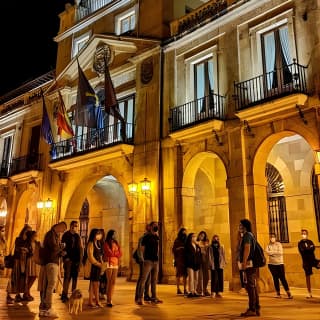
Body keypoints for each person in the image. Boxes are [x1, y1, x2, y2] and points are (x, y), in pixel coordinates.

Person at [39, 221, 67, 317]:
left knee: (47, 285)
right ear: (59, 227)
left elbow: (54, 250)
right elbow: (54, 249)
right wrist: (61, 248)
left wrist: (60, 252)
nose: (62, 232)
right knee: (51, 286)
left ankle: (43, 308)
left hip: (51, 262)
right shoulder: (51, 235)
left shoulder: (54, 235)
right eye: (63, 229)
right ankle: (48, 308)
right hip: (51, 263)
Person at [136, 221, 163, 305]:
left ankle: (154, 297)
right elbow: (142, 249)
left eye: (157, 226)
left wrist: (158, 258)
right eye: (154, 226)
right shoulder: (146, 237)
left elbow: (157, 249)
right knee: (143, 280)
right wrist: (143, 260)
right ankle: (140, 298)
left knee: (154, 280)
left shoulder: (156, 236)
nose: (156, 227)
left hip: (155, 261)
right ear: (150, 227)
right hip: (148, 261)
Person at [239, 218, 260, 317]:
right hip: (252, 264)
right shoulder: (251, 235)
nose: (239, 227)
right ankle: (256, 307)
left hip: (249, 264)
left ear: (244, 226)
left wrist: (243, 262)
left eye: (240, 225)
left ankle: (252, 308)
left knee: (250, 286)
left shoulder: (247, 235)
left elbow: (247, 249)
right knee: (253, 286)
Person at [8, 224, 32, 303]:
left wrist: (28, 250)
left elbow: (31, 251)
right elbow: (17, 248)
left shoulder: (29, 241)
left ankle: (20, 293)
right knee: (15, 277)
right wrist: (22, 249)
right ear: (24, 231)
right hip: (17, 260)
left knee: (22, 278)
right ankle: (15, 294)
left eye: (30, 231)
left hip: (24, 262)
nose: (29, 232)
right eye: (28, 231)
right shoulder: (18, 239)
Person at [265, 233, 292, 299]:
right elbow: (266, 252)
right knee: (275, 278)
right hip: (271, 264)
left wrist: (272, 253)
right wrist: (274, 253)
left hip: (280, 263)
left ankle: (288, 292)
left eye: (273, 237)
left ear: (275, 237)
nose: (272, 238)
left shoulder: (279, 244)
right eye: (271, 237)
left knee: (282, 278)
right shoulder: (268, 245)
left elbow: (280, 253)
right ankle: (278, 293)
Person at [61, 220, 83, 303]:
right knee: (67, 277)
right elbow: (63, 247)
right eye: (74, 225)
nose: (75, 227)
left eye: (77, 226)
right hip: (68, 260)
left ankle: (73, 294)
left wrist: (80, 261)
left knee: (75, 277)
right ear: (71, 226)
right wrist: (65, 258)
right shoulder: (65, 235)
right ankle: (64, 294)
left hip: (76, 260)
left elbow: (80, 248)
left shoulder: (77, 236)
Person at [298, 229, 320, 298]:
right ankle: (309, 292)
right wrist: (309, 248)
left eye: (305, 233)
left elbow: (313, 248)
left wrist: (308, 249)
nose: (303, 235)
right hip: (306, 262)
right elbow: (302, 251)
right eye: (302, 233)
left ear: (307, 234)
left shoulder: (310, 241)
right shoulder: (300, 243)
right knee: (308, 277)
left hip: (313, 259)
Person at [103, 229, 122, 307]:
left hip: (116, 263)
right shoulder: (106, 243)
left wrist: (115, 253)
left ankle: (110, 298)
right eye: (114, 234)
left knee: (113, 282)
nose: (115, 235)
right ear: (110, 235)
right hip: (109, 263)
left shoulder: (116, 243)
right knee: (109, 281)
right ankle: (108, 299)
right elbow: (108, 252)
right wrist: (115, 253)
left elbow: (120, 253)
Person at [86, 228, 104, 308]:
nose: (99, 235)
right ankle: (97, 301)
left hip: (98, 266)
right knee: (95, 284)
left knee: (93, 284)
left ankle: (91, 301)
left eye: (100, 234)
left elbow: (100, 255)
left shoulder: (98, 243)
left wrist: (102, 263)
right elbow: (90, 256)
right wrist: (97, 264)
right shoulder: (91, 243)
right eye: (98, 234)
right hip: (93, 266)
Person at [134, 223, 151, 303]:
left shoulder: (152, 237)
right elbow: (140, 250)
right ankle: (138, 296)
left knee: (148, 278)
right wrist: (142, 259)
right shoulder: (143, 238)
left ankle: (146, 295)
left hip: (150, 260)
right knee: (142, 278)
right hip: (144, 260)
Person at [185, 232, 202, 298]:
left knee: (196, 278)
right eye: (193, 236)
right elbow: (186, 255)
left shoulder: (197, 245)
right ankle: (190, 291)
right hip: (190, 264)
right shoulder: (188, 245)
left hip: (196, 264)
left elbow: (199, 254)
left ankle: (195, 291)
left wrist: (199, 262)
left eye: (195, 236)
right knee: (191, 278)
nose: (195, 237)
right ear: (190, 238)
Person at [24, 230, 40, 301]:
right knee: (30, 276)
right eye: (35, 235)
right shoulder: (28, 243)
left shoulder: (36, 243)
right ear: (32, 236)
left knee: (34, 276)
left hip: (35, 261)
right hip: (30, 260)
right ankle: (26, 292)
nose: (36, 236)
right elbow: (27, 252)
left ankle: (27, 291)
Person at [172, 227, 188, 295]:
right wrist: (179, 248)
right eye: (183, 232)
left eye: (185, 232)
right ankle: (178, 289)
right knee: (178, 274)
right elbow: (173, 249)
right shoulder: (177, 240)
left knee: (185, 275)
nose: (184, 233)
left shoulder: (187, 240)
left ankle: (185, 289)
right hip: (179, 259)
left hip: (185, 259)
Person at [196, 230, 210, 296]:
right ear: (199, 235)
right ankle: (199, 290)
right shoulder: (197, 243)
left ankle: (205, 289)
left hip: (205, 260)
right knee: (199, 276)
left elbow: (208, 250)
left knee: (206, 276)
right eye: (201, 235)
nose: (202, 236)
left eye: (203, 236)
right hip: (199, 259)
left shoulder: (206, 243)